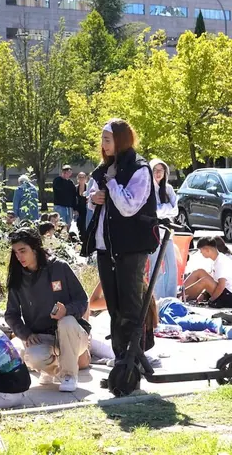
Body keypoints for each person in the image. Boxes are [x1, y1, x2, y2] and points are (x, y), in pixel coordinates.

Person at [85, 119, 158, 361]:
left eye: (108, 139)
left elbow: (128, 206)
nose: (103, 145)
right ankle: (121, 360)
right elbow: (91, 197)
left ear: (120, 140)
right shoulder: (105, 167)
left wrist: (112, 183)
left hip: (131, 247)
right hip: (106, 247)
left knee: (130, 306)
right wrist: (94, 197)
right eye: (102, 140)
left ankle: (134, 360)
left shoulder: (139, 168)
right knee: (114, 308)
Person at [4, 228, 89, 392]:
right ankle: (50, 370)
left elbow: (82, 299)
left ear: (35, 248)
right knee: (32, 357)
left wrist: (67, 310)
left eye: (23, 251)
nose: (19, 256)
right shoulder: (18, 277)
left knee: (67, 321)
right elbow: (11, 314)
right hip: (41, 337)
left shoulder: (60, 267)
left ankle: (69, 375)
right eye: (15, 252)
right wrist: (25, 334)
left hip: (73, 335)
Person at [148, 159, 179, 300]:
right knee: (156, 267)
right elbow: (153, 211)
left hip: (168, 232)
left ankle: (170, 297)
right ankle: (158, 298)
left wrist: (164, 209)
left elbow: (175, 210)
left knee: (172, 266)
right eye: (155, 170)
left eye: (161, 170)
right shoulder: (147, 188)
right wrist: (166, 208)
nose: (158, 173)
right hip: (153, 232)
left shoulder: (168, 188)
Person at [183, 236, 232, 306]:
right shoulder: (216, 260)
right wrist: (203, 295)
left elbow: (221, 285)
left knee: (205, 280)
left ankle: (181, 296)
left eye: (201, 251)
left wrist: (211, 300)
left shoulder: (221, 262)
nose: (201, 253)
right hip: (224, 292)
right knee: (200, 272)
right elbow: (213, 281)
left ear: (207, 250)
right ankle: (181, 292)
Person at [75, 172, 88, 247]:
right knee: (79, 223)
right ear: (77, 179)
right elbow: (73, 199)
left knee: (85, 224)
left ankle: (85, 240)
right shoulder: (76, 188)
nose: (81, 179)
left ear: (85, 179)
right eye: (80, 177)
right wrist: (75, 209)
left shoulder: (88, 187)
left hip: (86, 208)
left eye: (83, 177)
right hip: (78, 209)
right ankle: (81, 238)